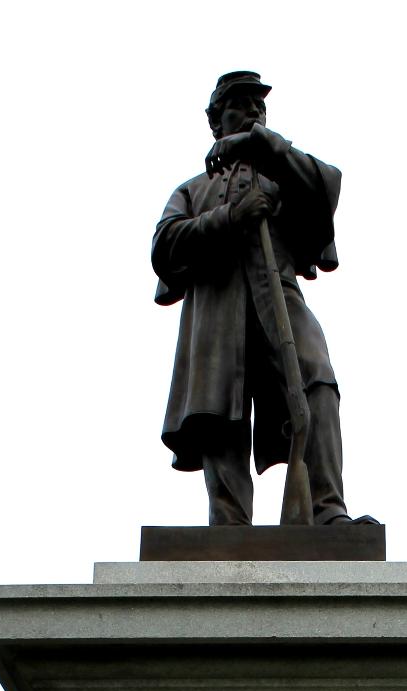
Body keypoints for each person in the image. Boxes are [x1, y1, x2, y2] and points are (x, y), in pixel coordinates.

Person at [153, 70, 369, 528]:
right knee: (219, 413)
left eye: (259, 106)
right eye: (240, 105)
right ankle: (228, 527)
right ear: (217, 122)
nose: (253, 111)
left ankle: (328, 511)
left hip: (280, 300)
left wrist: (268, 148)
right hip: (216, 311)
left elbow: (324, 189)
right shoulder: (193, 190)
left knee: (317, 382)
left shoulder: (282, 173)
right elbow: (165, 245)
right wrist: (232, 216)